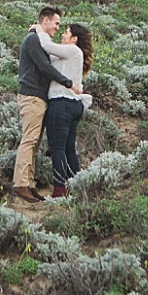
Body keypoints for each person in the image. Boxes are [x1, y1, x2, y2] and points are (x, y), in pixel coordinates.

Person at [13, 6, 82, 203]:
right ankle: (21, 183)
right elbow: (44, 67)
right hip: (32, 96)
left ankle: (29, 183)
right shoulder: (34, 39)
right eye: (56, 23)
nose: (57, 28)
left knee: (34, 141)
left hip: (39, 98)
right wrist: (68, 83)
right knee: (30, 139)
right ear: (45, 21)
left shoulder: (40, 40)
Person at [35, 21, 93, 198]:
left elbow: (47, 46)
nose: (62, 34)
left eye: (66, 32)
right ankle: (76, 186)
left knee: (57, 148)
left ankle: (60, 190)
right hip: (73, 105)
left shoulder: (73, 50)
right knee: (68, 148)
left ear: (74, 39)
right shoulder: (70, 55)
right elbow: (49, 57)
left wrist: (39, 29)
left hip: (61, 103)